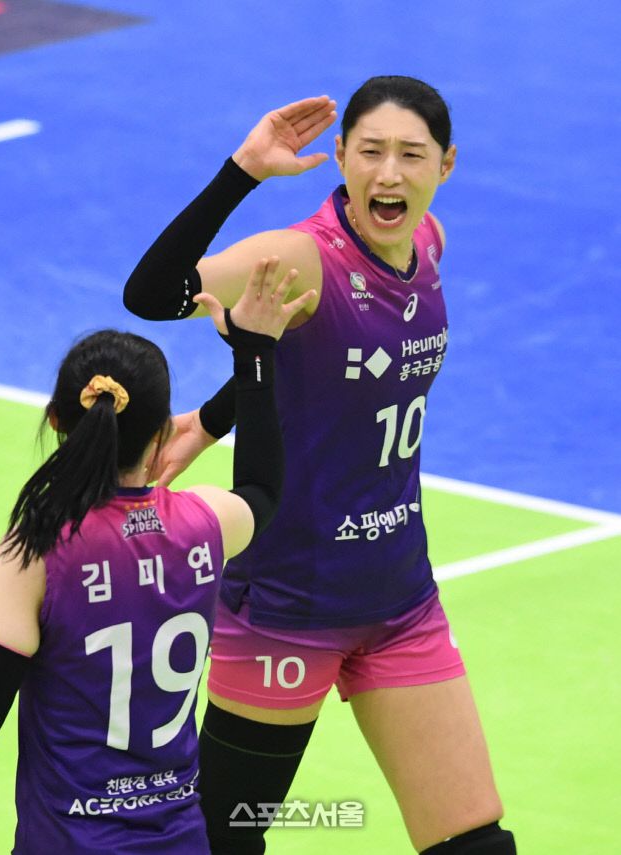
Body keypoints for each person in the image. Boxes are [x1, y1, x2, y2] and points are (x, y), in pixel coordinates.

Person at [123, 77, 516, 854]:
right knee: (224, 840)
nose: (388, 173)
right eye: (369, 151)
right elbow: (152, 294)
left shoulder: (427, 243)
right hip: (286, 609)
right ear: (339, 156)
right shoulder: (299, 257)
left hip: (399, 600)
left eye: (411, 155)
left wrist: (211, 419)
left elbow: (313, 354)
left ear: (446, 165)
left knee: (474, 844)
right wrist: (242, 171)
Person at [0, 258, 315, 854]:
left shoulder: (35, 550)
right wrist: (255, 352)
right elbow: (262, 489)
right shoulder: (208, 523)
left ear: (56, 422)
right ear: (162, 434)